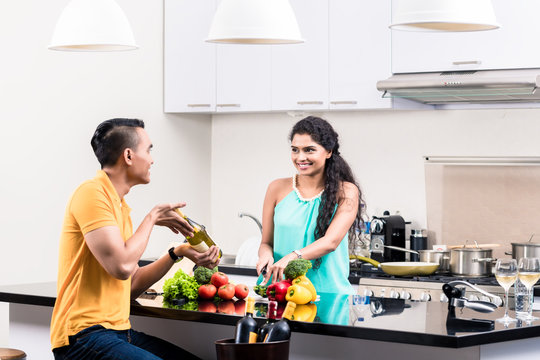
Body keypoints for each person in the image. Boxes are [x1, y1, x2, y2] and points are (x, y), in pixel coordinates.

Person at [50, 118, 220, 360]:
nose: (152, 159)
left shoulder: (120, 207)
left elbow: (129, 284)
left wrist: (177, 252)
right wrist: (151, 218)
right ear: (128, 156)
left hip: (119, 332)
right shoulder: (91, 193)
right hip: (82, 336)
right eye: (149, 150)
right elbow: (121, 266)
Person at [256, 116, 365, 294]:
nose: (300, 157)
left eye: (309, 150)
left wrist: (293, 256)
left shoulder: (346, 191)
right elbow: (266, 242)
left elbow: (331, 242)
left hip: (328, 295)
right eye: (295, 150)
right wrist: (265, 255)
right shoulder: (276, 188)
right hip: (280, 291)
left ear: (328, 151)